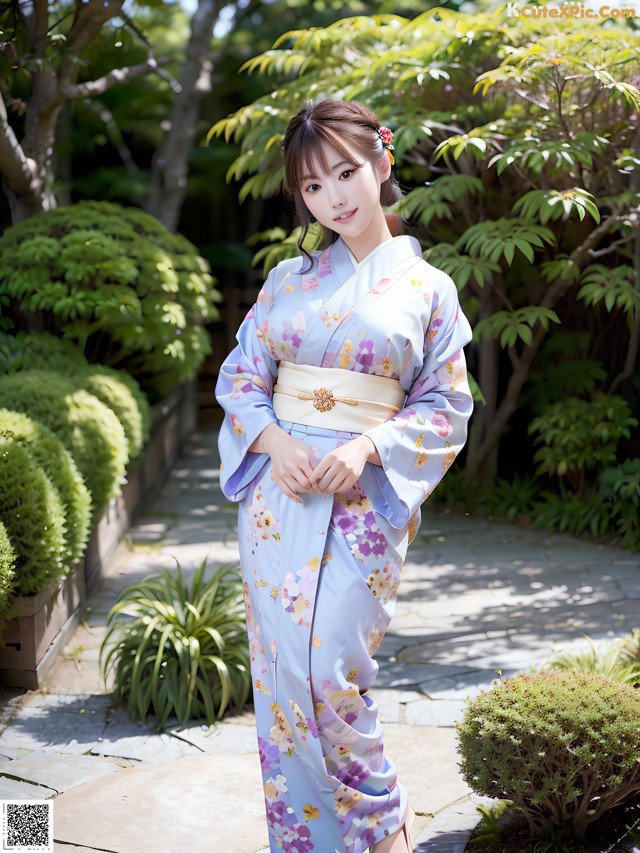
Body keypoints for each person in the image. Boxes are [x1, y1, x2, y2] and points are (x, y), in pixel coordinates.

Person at [215, 99, 473, 853]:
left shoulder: (429, 289)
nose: (335, 198)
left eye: (346, 173)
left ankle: (378, 829)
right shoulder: (287, 281)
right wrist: (271, 439)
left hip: (363, 498)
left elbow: (446, 403)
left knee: (332, 667)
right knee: (282, 675)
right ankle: (304, 842)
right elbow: (240, 375)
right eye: (314, 186)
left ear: (382, 165)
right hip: (279, 492)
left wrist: (365, 449)